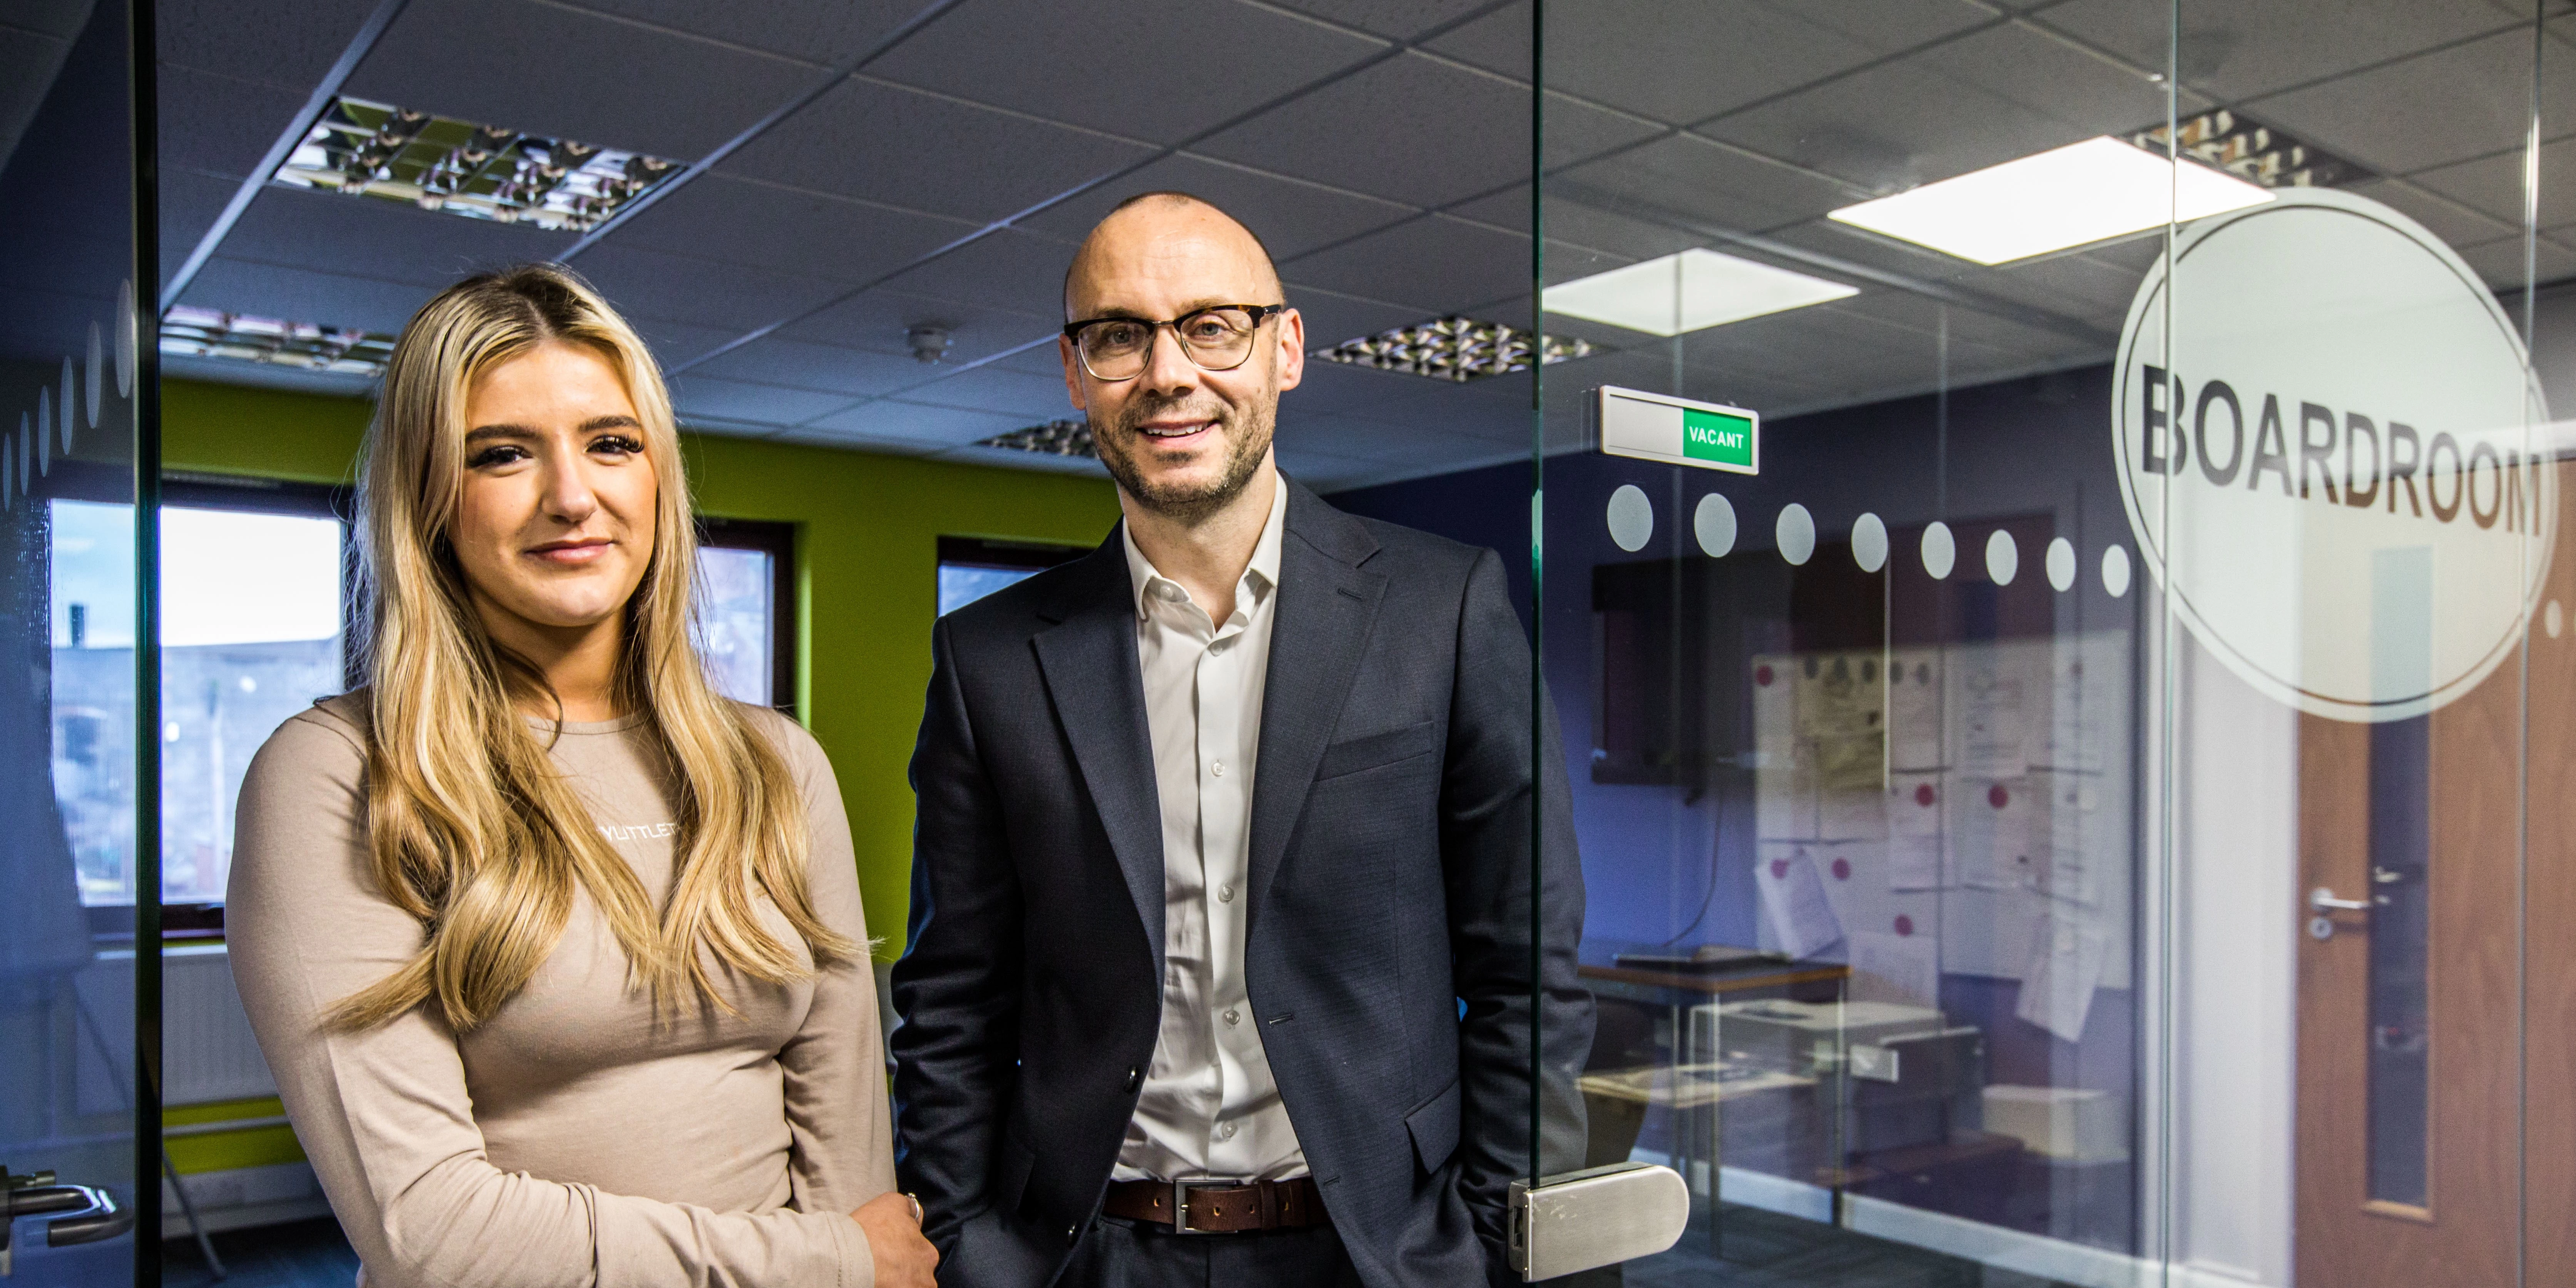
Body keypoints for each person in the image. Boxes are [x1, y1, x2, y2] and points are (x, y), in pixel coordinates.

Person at [891, 192, 1592, 1288]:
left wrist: (1497, 1241)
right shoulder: (991, 662)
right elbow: (950, 1001)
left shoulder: (1442, 610)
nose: (1168, 372)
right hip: (1085, 1254)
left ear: (1286, 349)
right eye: (1120, 335)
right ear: (1075, 375)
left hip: (1375, 1252)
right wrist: (963, 1243)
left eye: (1211, 325)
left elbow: (1524, 971)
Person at [227, 264, 938, 1288]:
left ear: (658, 477)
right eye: (503, 455)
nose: (573, 496)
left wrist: (842, 1263)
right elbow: (432, 1233)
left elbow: (847, 1145)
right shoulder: (342, 776)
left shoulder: (774, 763)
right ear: (428, 498)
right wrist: (824, 1265)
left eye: (612, 444)